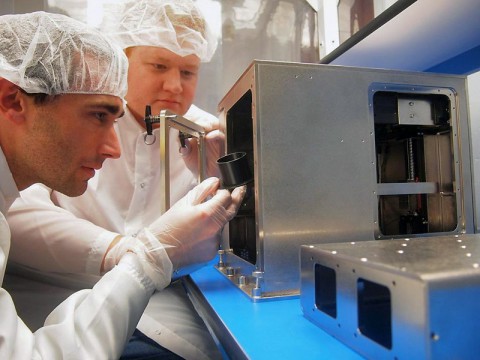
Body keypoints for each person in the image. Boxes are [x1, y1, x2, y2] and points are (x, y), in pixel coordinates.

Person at [0, 11, 244, 359]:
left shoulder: (213, 136)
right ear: (122, 60)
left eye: (188, 71)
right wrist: (132, 253)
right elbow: (18, 208)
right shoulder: (42, 140)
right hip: (57, 310)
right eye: (159, 66)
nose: (175, 86)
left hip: (166, 318)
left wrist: (220, 179)